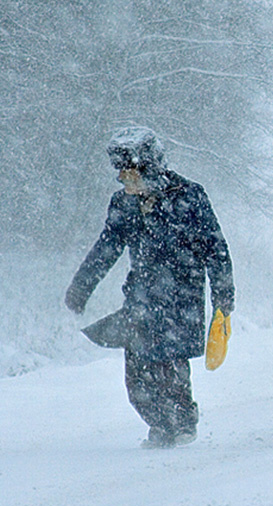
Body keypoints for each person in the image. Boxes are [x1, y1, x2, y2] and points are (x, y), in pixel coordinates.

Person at [65, 126, 235, 448]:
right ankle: (159, 426)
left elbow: (216, 249)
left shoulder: (190, 197)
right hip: (140, 301)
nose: (125, 182)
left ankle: (182, 424)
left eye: (131, 175)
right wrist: (81, 286)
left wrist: (223, 297)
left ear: (151, 168)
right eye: (121, 176)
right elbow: (106, 248)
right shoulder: (123, 205)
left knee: (169, 368)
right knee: (137, 377)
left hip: (180, 300)